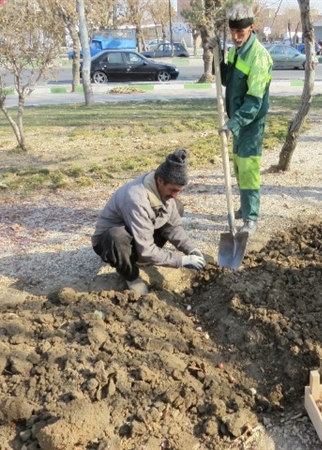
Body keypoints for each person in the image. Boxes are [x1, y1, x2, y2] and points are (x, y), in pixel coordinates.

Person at [91, 148, 206, 294]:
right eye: (173, 190)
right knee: (117, 236)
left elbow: (174, 227)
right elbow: (146, 248)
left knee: (177, 206)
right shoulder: (136, 199)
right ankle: (131, 275)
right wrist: (181, 261)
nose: (176, 195)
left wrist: (191, 249)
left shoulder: (161, 190)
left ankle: (143, 258)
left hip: (138, 233)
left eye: (179, 191)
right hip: (109, 243)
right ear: (160, 181)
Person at [210, 2, 273, 236]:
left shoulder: (259, 57)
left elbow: (254, 102)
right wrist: (218, 57)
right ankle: (245, 206)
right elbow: (228, 80)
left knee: (248, 169)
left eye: (241, 32)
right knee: (238, 167)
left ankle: (251, 217)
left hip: (251, 123)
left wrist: (233, 123)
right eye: (233, 32)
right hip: (236, 121)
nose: (236, 37)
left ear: (252, 28)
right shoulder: (237, 50)